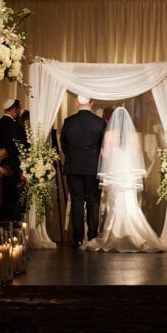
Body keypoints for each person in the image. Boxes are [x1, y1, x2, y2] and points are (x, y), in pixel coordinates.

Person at [85, 107, 167, 253]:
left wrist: (102, 149)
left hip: (116, 173)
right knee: (130, 203)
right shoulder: (133, 135)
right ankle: (135, 233)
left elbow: (105, 155)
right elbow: (136, 154)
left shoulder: (109, 134)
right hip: (128, 174)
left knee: (115, 203)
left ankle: (114, 232)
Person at [60, 94, 106, 248]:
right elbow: (103, 146)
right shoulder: (100, 122)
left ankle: (77, 239)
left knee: (77, 202)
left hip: (73, 167)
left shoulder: (68, 121)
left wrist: (73, 157)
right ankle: (92, 236)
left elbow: (64, 145)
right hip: (93, 167)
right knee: (93, 201)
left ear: (77, 102)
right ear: (92, 103)